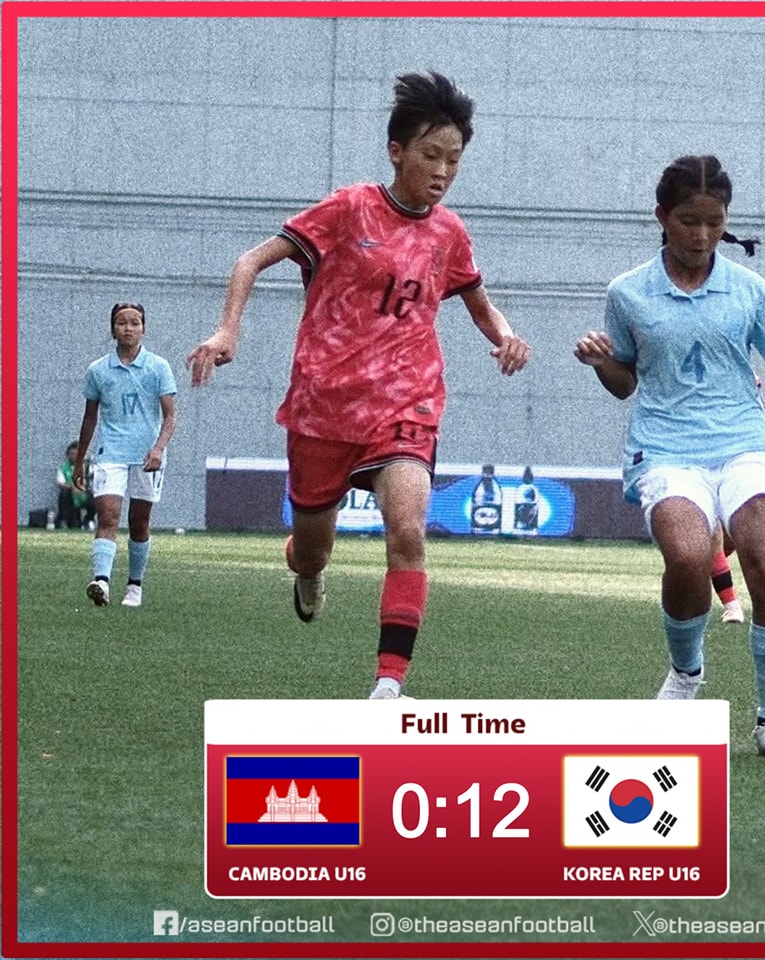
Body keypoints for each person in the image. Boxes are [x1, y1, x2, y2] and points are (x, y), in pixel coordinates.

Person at [186, 71, 530, 700]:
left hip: (407, 402)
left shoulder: (449, 233)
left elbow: (480, 304)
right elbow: (250, 260)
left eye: (454, 159)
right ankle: (305, 565)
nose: (443, 171)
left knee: (408, 531)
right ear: (396, 151)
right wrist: (226, 332)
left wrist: (505, 335)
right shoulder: (349, 209)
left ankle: (388, 686)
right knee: (313, 551)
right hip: (323, 408)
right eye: (431, 155)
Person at [574, 155, 765, 762]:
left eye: (715, 222)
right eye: (690, 221)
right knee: (689, 557)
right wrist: (603, 362)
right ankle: (687, 673)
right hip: (666, 448)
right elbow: (625, 383)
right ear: (662, 217)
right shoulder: (628, 292)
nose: (703, 235)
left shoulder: (748, 289)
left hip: (744, 442)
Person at [73, 302, 178, 608]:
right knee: (108, 516)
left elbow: (170, 416)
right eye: (122, 323)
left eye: (134, 323)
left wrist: (158, 449)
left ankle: (134, 585)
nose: (128, 328)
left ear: (143, 328)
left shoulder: (158, 367)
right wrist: (80, 460)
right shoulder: (98, 370)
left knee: (138, 522)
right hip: (110, 452)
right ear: (113, 329)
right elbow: (89, 417)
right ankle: (102, 581)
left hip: (147, 456)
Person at [56, 441, 94, 529]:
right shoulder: (63, 467)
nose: (73, 456)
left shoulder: (87, 466)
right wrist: (73, 488)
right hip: (71, 496)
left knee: (94, 498)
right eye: (71, 454)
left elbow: (92, 480)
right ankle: (64, 521)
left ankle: (89, 520)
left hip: (84, 494)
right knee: (63, 493)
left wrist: (84, 488)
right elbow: (60, 483)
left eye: (76, 454)